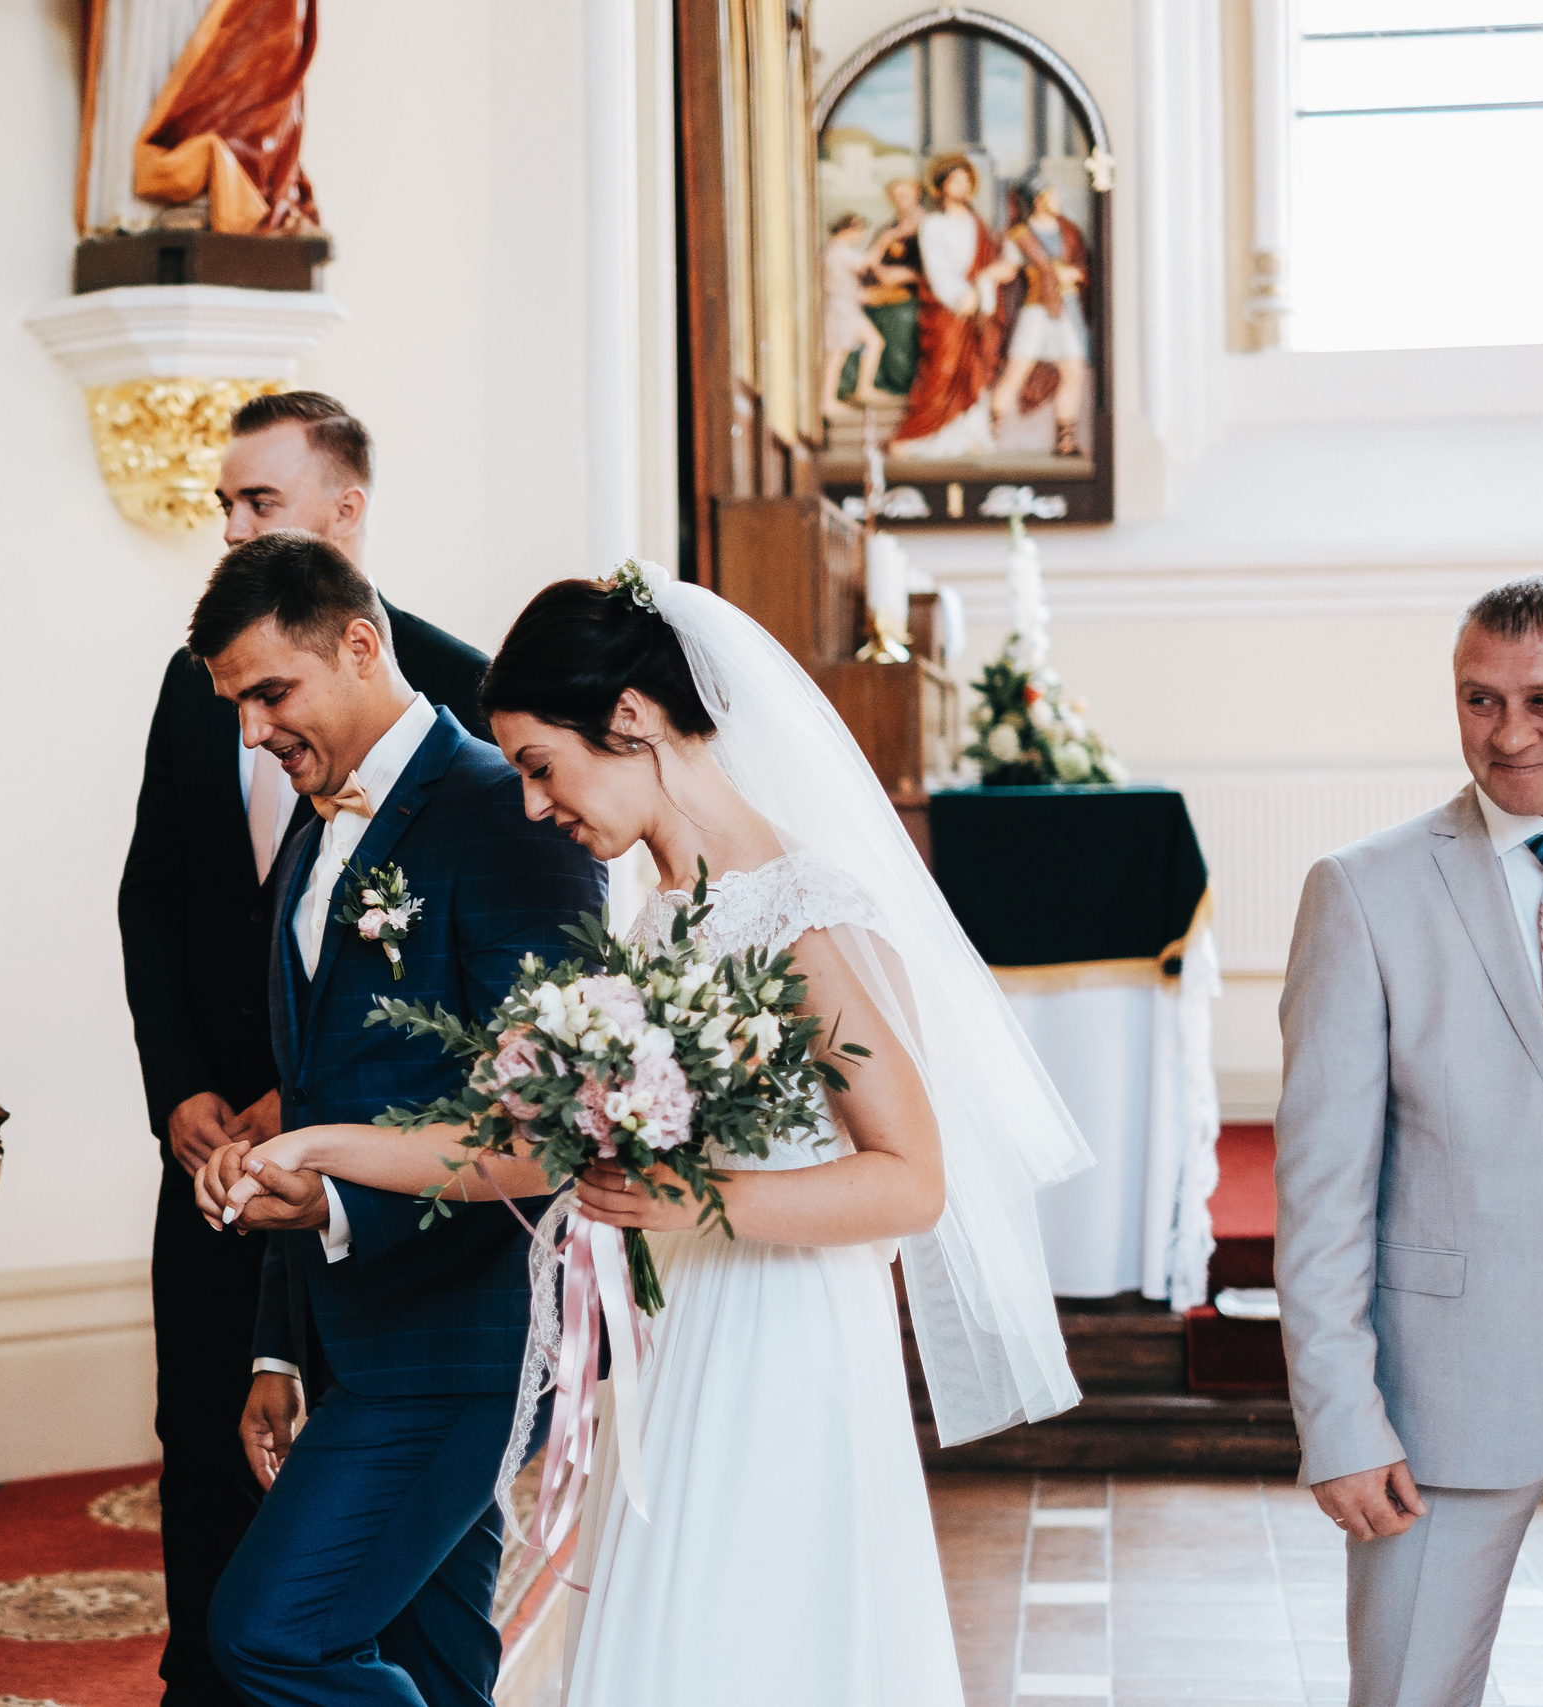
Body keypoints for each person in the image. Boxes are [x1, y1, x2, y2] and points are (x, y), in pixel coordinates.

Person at [220, 562, 1089, 1704]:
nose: (532, 805)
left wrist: (693, 1201)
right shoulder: (659, 920)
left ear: (629, 720)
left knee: (752, 1643)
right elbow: (521, 1149)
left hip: (783, 1340)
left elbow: (911, 1179)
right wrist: (318, 1149)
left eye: (540, 765)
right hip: (673, 1339)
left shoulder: (801, 910)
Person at [182, 533, 604, 1707]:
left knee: (273, 1636)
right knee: (436, 1663)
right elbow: (318, 1091)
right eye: (236, 705)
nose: (253, 731)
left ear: (360, 645)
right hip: (355, 1333)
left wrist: (332, 1191)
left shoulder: (509, 812)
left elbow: (544, 1118)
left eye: (272, 693)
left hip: (463, 1335)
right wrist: (278, 1346)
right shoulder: (314, 832)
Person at [115, 391, 490, 1707]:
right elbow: (155, 895)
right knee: (205, 1432)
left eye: (258, 501)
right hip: (219, 1156)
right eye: (223, 503)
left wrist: (305, 1106)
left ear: (346, 510)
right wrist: (184, 1091)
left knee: (371, 1521)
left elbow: (476, 1010)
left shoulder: (464, 702)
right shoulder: (201, 687)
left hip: (393, 1195)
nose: (230, 524)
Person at [1276, 575, 1543, 1706]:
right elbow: (1322, 1193)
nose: (1509, 733)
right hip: (1439, 1407)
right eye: (1480, 700)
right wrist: (1340, 1419)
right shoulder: (1363, 893)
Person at [895, 155, 1010, 458]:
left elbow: (986, 265)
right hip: (947, 311)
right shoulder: (933, 224)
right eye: (956, 180)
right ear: (941, 186)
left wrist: (983, 286)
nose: (963, 186)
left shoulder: (976, 223)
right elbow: (937, 269)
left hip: (974, 311)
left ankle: (970, 435)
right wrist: (962, 296)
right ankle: (918, 436)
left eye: (967, 181)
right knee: (941, 373)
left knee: (973, 373)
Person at [991, 175, 1091, 459]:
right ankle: (991, 432)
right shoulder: (1021, 234)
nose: (1057, 200)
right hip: (1038, 308)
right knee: (1016, 371)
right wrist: (987, 276)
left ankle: (1065, 440)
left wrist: (1075, 273)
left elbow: (1081, 263)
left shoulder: (1067, 231)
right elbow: (1010, 267)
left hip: (1066, 309)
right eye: (1052, 195)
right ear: (1038, 200)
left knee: (1073, 371)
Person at [821, 211, 891, 417]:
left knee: (874, 342)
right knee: (837, 354)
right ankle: (827, 401)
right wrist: (884, 241)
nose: (860, 236)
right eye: (858, 231)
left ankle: (864, 388)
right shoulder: (839, 252)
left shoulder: (837, 251)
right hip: (841, 309)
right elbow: (868, 263)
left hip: (849, 307)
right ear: (848, 230)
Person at [861, 176, 925, 399]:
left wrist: (908, 275)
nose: (900, 200)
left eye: (905, 195)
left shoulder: (928, 225)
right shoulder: (889, 228)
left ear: (916, 193)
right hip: (883, 291)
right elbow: (871, 262)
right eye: (896, 196)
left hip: (912, 294)